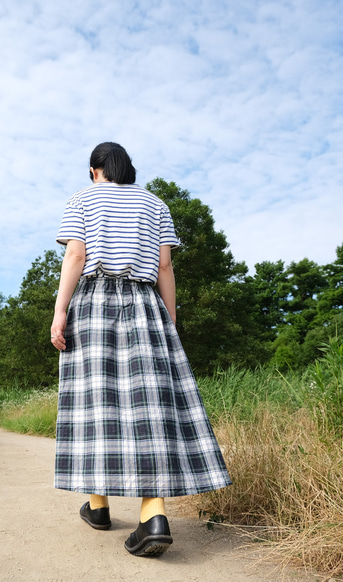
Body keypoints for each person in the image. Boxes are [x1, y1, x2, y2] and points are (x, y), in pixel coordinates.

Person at [50, 142, 231, 557]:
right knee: (148, 408)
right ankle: (144, 511)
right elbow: (165, 266)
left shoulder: (81, 199)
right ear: (126, 168)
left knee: (96, 404)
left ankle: (109, 509)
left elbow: (76, 255)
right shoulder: (155, 204)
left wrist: (60, 311)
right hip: (146, 304)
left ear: (95, 170)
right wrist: (168, 320)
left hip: (95, 303)